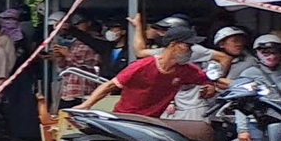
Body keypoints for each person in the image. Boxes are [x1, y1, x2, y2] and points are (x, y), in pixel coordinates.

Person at [77, 20, 217, 117]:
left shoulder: (186, 70)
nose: (191, 51)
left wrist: (210, 88)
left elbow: (206, 81)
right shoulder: (142, 66)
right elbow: (110, 86)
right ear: (174, 45)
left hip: (152, 122)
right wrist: (86, 105)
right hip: (126, 118)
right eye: (188, 46)